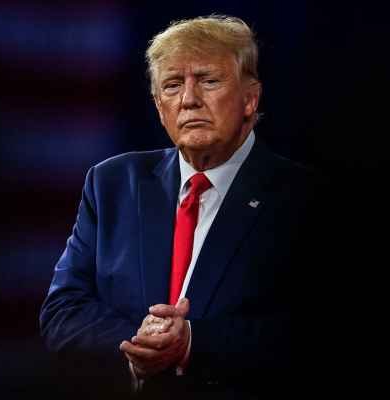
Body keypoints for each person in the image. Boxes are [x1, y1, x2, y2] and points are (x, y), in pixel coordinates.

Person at [40, 15, 329, 399]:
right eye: (173, 85)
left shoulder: (305, 198)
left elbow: (315, 332)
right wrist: (140, 344)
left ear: (250, 99)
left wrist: (192, 342)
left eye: (208, 81)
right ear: (160, 107)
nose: (189, 99)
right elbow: (62, 311)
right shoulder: (112, 183)